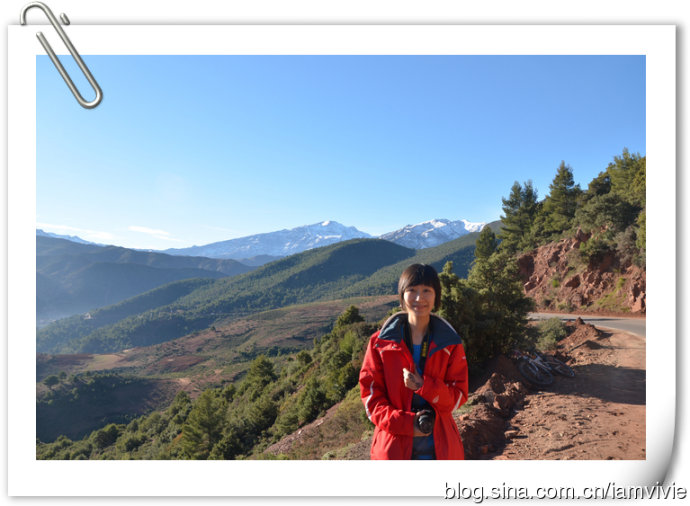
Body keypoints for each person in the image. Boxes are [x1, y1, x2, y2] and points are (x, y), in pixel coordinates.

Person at [359, 263, 468, 460]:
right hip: (393, 449)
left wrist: (424, 386)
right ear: (402, 295)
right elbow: (371, 398)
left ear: (436, 296)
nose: (419, 298)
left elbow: (459, 395)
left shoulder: (450, 344)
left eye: (427, 290)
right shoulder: (380, 344)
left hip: (441, 449)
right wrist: (406, 425)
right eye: (412, 290)